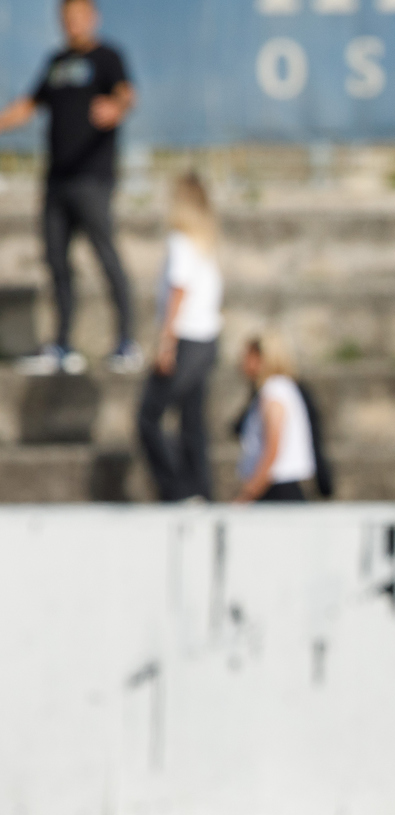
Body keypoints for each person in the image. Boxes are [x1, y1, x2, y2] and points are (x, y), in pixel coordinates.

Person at [0, 0, 138, 376]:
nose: (73, 24)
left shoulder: (108, 57)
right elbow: (29, 104)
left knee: (106, 257)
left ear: (92, 17)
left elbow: (127, 94)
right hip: (56, 180)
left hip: (92, 177)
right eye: (67, 18)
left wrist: (116, 108)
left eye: (79, 16)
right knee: (57, 262)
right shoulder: (56, 62)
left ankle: (126, 341)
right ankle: (62, 344)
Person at [137, 173, 222, 501]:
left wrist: (166, 343)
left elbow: (178, 291)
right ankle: (200, 489)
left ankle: (179, 489)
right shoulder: (205, 242)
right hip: (207, 339)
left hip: (187, 339)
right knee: (192, 421)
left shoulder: (182, 242)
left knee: (148, 417)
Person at [234, 334, 316, 503]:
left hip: (277, 490)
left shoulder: (273, 391)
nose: (241, 363)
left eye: (247, 356)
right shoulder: (282, 388)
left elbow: (272, 448)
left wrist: (249, 493)